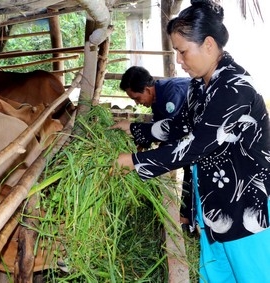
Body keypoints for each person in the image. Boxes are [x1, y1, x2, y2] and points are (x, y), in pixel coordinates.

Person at [111, 1, 270, 282]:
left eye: (183, 52)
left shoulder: (235, 88)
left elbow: (196, 144)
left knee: (252, 275)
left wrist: (135, 162)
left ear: (208, 45)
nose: (179, 61)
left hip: (245, 209)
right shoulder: (200, 85)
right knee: (217, 275)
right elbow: (179, 126)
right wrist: (136, 129)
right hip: (214, 207)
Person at [111, 66, 195, 234]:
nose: (137, 103)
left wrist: (138, 159)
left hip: (199, 141)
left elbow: (173, 133)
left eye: (137, 97)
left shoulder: (172, 95)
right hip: (190, 141)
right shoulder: (157, 99)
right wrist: (141, 145)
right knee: (190, 173)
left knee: (192, 172)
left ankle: (189, 222)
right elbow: (158, 130)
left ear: (148, 90)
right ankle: (188, 222)